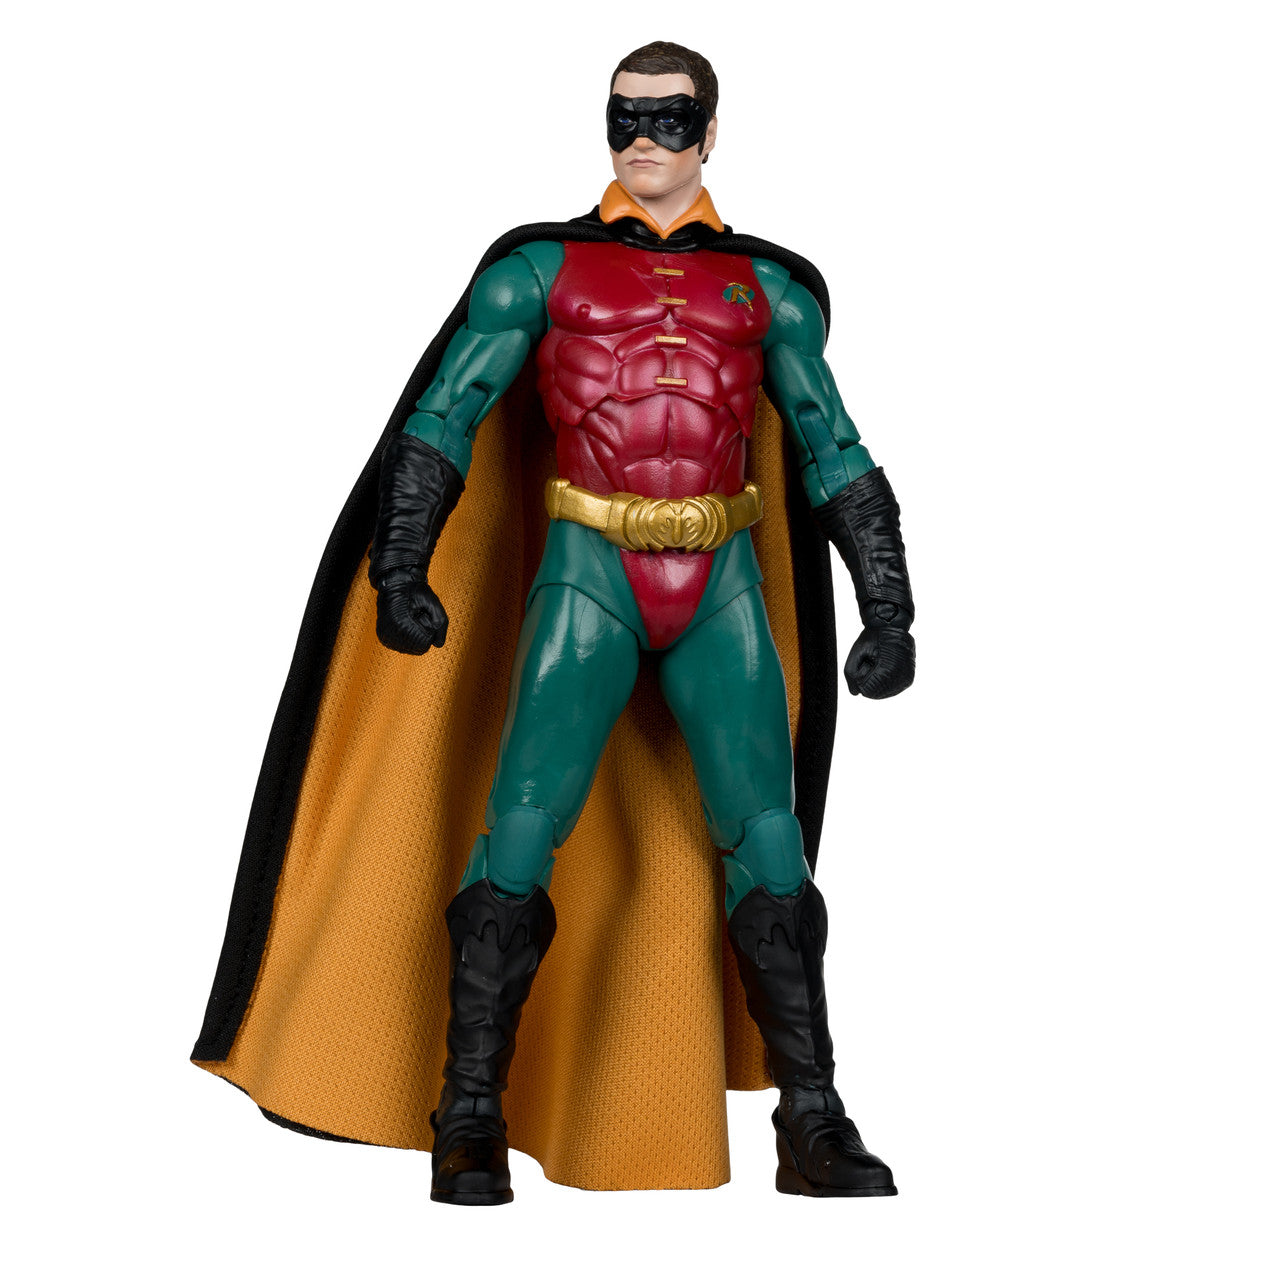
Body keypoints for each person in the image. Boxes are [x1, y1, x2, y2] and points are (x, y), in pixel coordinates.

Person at [193, 40, 915, 1205]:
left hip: (720, 578)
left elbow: (831, 443)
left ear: (710, 132)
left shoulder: (765, 291)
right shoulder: (541, 271)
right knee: (520, 835)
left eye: (670, 119)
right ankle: (466, 1110)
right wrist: (401, 561)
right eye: (625, 116)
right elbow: (447, 414)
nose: (645, 139)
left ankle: (812, 1116)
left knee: (769, 849)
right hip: (588, 571)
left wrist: (886, 601)